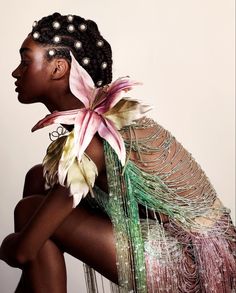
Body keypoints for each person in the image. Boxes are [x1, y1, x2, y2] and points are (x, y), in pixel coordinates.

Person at [0, 12, 235, 293]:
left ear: (58, 68)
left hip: (198, 262)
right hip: (189, 240)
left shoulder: (93, 136)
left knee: (29, 212)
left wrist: (8, 245)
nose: (16, 71)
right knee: (39, 178)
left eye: (25, 62)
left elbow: (22, 253)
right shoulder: (100, 114)